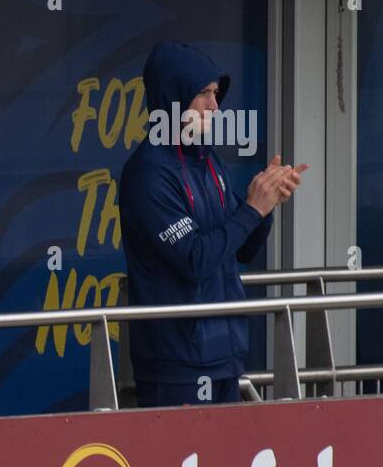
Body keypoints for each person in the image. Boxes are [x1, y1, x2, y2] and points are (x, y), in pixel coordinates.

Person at [119, 40, 306, 407]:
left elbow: (243, 248)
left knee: (227, 465)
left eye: (215, 94)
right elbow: (195, 260)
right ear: (172, 98)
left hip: (226, 354)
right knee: (175, 464)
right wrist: (253, 209)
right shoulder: (149, 174)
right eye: (202, 94)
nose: (214, 106)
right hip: (175, 362)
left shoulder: (207, 160)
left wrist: (266, 202)